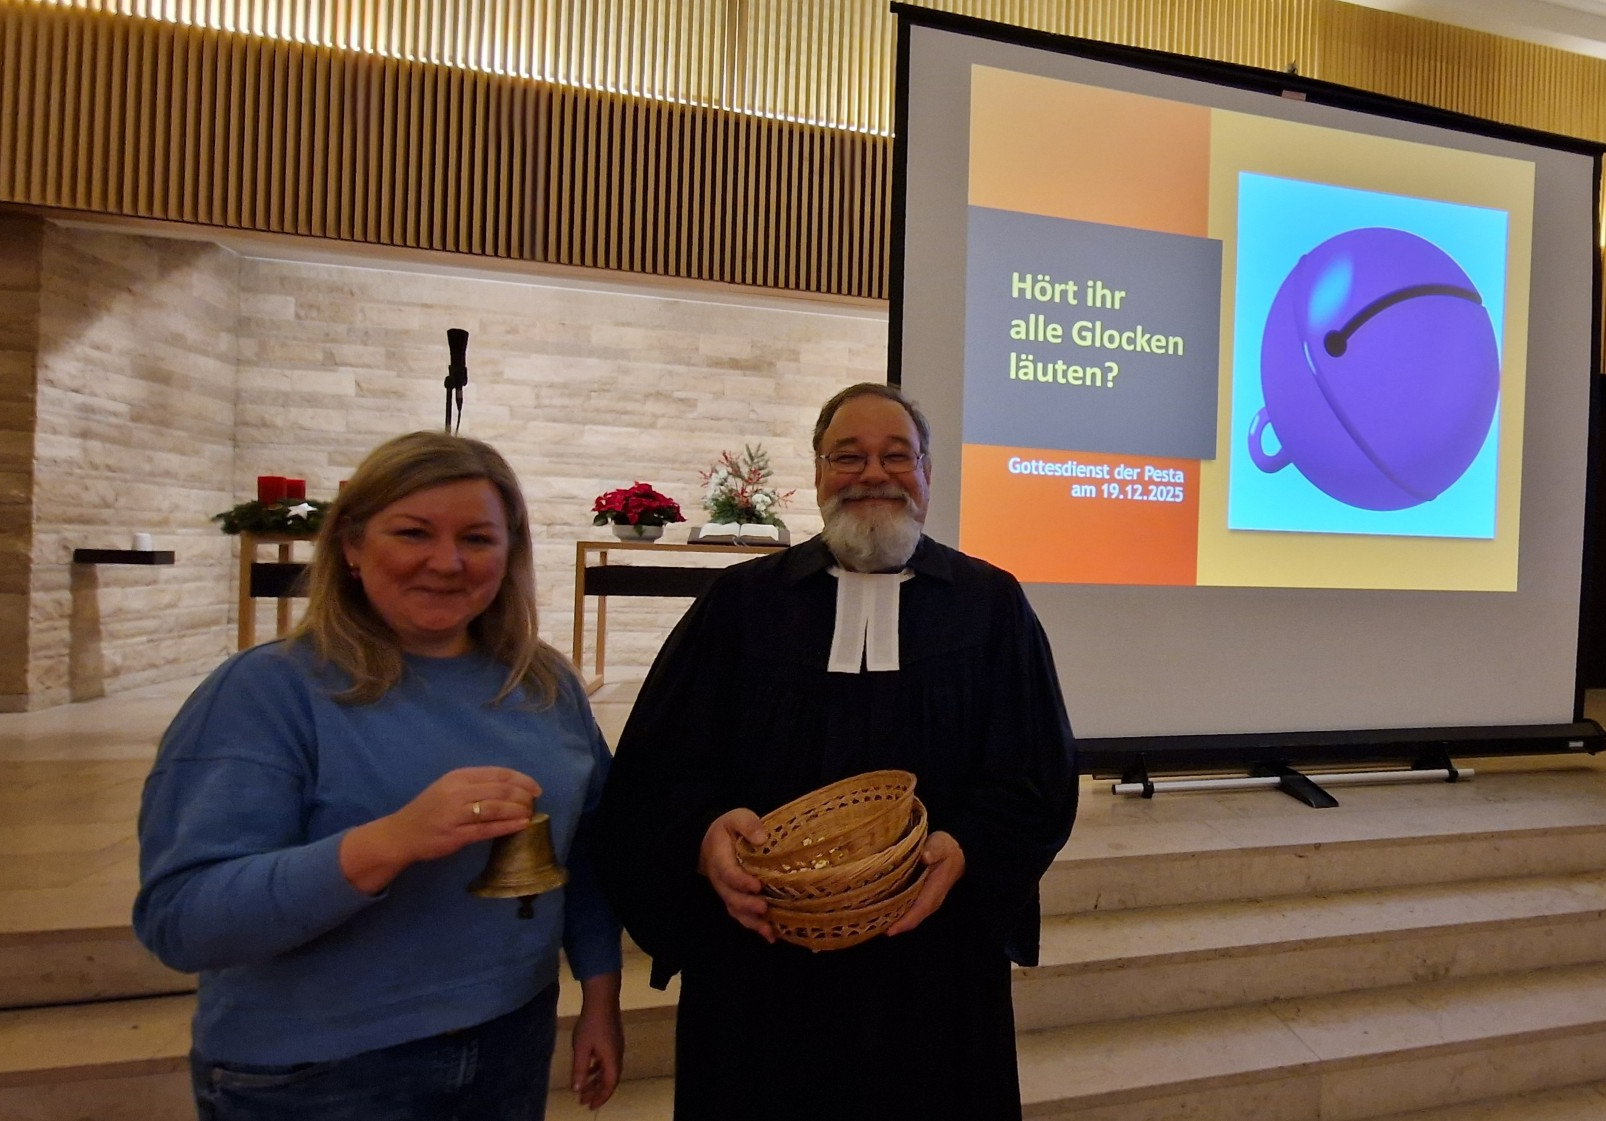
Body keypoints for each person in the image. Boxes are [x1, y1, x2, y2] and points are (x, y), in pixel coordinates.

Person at [591, 383, 1078, 1120]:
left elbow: (1037, 773)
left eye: (896, 456)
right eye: (848, 456)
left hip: (933, 966)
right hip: (761, 969)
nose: (873, 474)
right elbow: (658, 769)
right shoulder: (741, 605)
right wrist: (704, 838)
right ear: (818, 473)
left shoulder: (990, 605)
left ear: (927, 473)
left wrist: (967, 846)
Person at [134, 431, 623, 1120]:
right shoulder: (267, 691)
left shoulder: (542, 682)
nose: (447, 562)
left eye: (478, 538)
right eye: (413, 532)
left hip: (510, 1036)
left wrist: (601, 994)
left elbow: (588, 852)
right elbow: (182, 919)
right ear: (352, 545)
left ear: (510, 553)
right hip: (320, 1067)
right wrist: (389, 842)